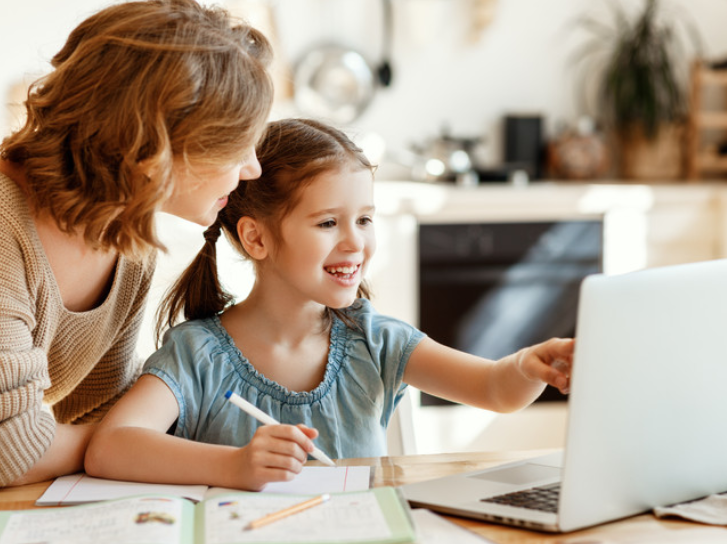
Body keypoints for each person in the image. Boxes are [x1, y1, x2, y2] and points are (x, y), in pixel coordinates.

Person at [85, 118, 575, 492]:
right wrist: (234, 465)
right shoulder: (198, 352)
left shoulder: (376, 340)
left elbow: (493, 389)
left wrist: (528, 367)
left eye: (364, 220)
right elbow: (111, 447)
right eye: (327, 224)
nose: (355, 244)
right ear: (255, 237)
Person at [0, 0, 274, 491]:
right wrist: (129, 444)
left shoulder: (126, 237)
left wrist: (137, 435)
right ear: (157, 150)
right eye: (237, 144)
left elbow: (98, 405)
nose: (251, 167)